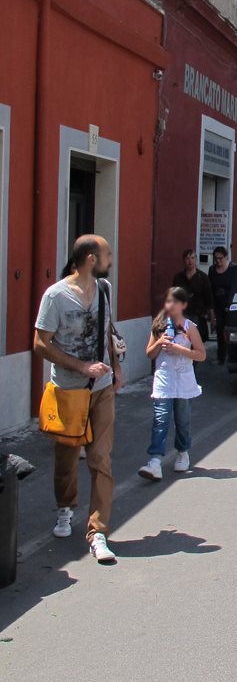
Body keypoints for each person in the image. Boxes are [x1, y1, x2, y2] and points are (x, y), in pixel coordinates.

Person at [33, 235, 122, 564]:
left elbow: (107, 330)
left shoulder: (104, 290)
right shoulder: (55, 296)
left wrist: (116, 369)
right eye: (106, 254)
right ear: (89, 258)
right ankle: (64, 509)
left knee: (101, 459)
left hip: (102, 390)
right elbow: (40, 344)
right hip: (68, 390)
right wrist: (81, 365)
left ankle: (98, 532)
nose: (110, 259)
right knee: (67, 460)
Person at [138, 287, 206, 481]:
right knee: (160, 420)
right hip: (164, 380)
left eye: (175, 302)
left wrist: (179, 349)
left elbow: (201, 354)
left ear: (183, 305)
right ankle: (155, 461)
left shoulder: (190, 327)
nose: (171, 305)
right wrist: (159, 342)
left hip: (183, 381)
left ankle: (183, 452)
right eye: (168, 302)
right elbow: (149, 354)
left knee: (182, 421)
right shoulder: (159, 326)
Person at [171, 249, 214, 343]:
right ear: (183, 261)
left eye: (192, 258)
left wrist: (212, 317)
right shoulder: (178, 278)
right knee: (182, 340)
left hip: (198, 314)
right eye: (187, 258)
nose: (190, 261)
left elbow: (209, 298)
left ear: (196, 259)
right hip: (182, 313)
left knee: (197, 341)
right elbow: (173, 297)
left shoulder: (203, 277)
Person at [208, 246, 237, 363]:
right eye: (216, 259)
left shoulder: (234, 269)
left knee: (232, 332)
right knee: (220, 331)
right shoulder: (212, 270)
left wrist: (230, 304)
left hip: (231, 306)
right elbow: (210, 289)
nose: (218, 261)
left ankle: (233, 357)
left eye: (220, 259)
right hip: (218, 306)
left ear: (226, 257)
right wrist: (211, 310)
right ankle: (221, 357)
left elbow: (235, 288)